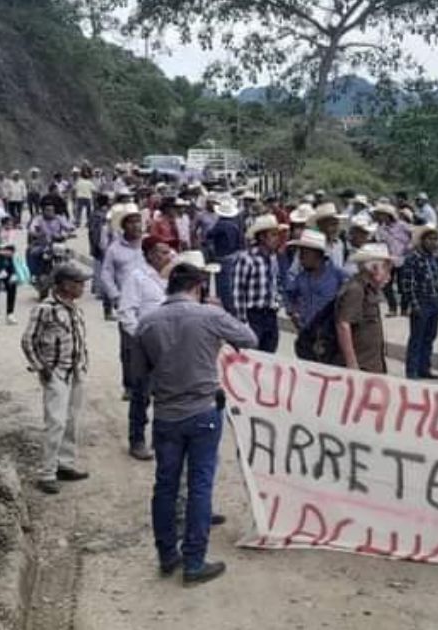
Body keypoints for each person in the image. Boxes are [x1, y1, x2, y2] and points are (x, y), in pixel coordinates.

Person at [135, 259, 258, 585]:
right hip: (203, 411)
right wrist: (218, 313)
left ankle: (167, 555)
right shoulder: (209, 315)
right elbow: (249, 338)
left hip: (165, 415)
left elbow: (138, 375)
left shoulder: (147, 322)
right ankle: (194, 562)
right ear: (198, 287)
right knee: (200, 487)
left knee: (165, 486)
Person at [21, 264, 92, 495]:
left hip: (76, 371)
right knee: (56, 422)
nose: (82, 287)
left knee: (71, 420)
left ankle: (65, 464)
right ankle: (47, 472)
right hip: (56, 372)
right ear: (64, 284)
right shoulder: (46, 309)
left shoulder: (74, 308)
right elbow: (28, 340)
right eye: (78, 282)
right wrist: (42, 368)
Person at [119, 236, 177, 460]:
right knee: (141, 394)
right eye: (163, 252)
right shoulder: (137, 277)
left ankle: (161, 439)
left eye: (168, 251)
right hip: (144, 345)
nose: (168, 256)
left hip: (170, 344)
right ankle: (137, 439)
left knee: (168, 394)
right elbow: (126, 313)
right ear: (150, 254)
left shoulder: (171, 278)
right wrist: (142, 338)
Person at [102, 207, 147, 399]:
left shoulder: (149, 243)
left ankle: (152, 383)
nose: (136, 225)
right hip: (127, 304)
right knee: (129, 347)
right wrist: (115, 296)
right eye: (131, 221)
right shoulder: (114, 249)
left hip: (150, 302)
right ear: (123, 226)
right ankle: (129, 385)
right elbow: (106, 274)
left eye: (138, 221)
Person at [337, 244, 394, 373]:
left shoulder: (370, 289)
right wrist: (351, 363)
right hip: (361, 365)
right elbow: (343, 324)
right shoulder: (356, 289)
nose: (388, 276)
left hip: (371, 364)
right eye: (385, 268)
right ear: (374, 268)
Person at [233, 214, 285, 352]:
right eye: (273, 235)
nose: (277, 239)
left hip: (270, 314)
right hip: (253, 315)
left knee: (269, 352)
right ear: (262, 237)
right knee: (252, 353)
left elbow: (276, 282)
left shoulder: (273, 259)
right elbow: (239, 292)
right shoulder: (247, 259)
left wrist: (277, 301)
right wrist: (242, 321)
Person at [401, 224, 438, 380]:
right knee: (417, 337)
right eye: (430, 239)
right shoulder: (413, 259)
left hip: (433, 302)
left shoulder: (432, 259)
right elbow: (408, 284)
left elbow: (437, 282)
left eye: (435, 239)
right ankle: (411, 370)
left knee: (430, 337)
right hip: (421, 302)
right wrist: (414, 305)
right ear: (422, 240)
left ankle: (424, 368)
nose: (433, 243)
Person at [285, 230, 347, 333]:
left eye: (305, 253)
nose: (300, 257)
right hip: (306, 333)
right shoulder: (301, 278)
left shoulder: (338, 275)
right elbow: (289, 295)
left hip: (330, 335)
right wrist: (293, 312)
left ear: (318, 254)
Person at [205, 199, 246, 314]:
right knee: (233, 283)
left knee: (224, 286)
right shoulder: (234, 226)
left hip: (223, 257)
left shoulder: (220, 225)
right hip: (234, 256)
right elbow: (241, 242)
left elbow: (208, 235)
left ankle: (228, 308)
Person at [373, 203, 411, 316]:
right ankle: (392, 308)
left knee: (404, 285)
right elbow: (379, 243)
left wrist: (408, 247)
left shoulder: (402, 225)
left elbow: (413, 236)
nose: (379, 217)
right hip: (388, 260)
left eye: (381, 215)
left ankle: (404, 308)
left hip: (403, 258)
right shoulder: (380, 229)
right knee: (386, 284)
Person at [307, 203, 347, 269]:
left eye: (337, 224)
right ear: (320, 225)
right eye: (332, 224)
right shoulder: (311, 245)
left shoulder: (339, 244)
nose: (336, 228)